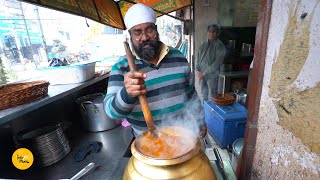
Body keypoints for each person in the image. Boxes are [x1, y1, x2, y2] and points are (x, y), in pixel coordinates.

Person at [104, 3, 207, 138]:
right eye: (137, 32)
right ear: (130, 35)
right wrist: (127, 93)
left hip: (182, 136)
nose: (145, 37)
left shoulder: (178, 57)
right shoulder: (121, 67)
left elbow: (191, 93)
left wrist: (200, 121)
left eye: (149, 30)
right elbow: (111, 112)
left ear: (156, 30)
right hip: (146, 142)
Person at [196, 24, 226, 101]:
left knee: (213, 95)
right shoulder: (203, 45)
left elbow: (217, 62)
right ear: (207, 32)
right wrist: (198, 70)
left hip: (212, 76)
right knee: (203, 95)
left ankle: (212, 111)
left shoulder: (219, 46)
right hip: (202, 75)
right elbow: (198, 58)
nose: (211, 34)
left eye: (214, 32)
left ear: (217, 33)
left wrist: (204, 73)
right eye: (209, 31)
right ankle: (205, 110)